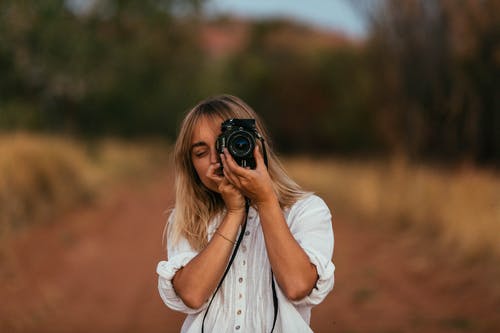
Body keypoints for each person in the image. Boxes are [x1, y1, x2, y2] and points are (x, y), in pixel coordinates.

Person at [156, 95, 335, 333]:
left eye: (227, 144)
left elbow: (297, 286)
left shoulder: (307, 210)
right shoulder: (188, 219)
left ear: (255, 144)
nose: (216, 160)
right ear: (190, 166)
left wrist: (265, 199)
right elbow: (192, 294)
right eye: (200, 153)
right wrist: (234, 213)